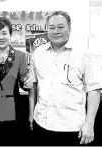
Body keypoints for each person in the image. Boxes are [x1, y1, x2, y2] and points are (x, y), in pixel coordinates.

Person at [29, 11, 102, 145]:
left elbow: (94, 91)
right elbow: (33, 84)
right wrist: (31, 115)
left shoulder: (84, 54)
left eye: (60, 27)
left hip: (71, 128)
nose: (56, 31)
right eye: (51, 27)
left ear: (69, 28)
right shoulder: (38, 53)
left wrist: (90, 123)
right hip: (41, 123)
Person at [0, 17, 33, 145]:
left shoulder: (20, 56)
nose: (0, 37)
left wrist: (27, 83)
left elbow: (23, 83)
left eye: (4, 33)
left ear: (10, 35)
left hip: (11, 109)